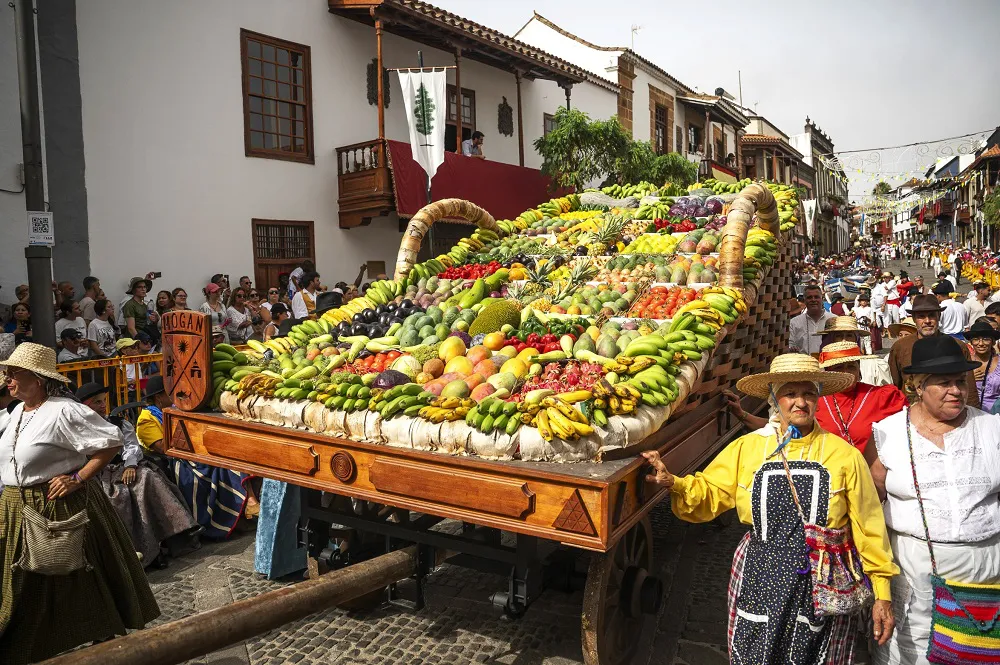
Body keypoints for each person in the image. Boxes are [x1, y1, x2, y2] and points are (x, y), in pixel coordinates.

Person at [645, 354, 896, 663]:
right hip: (759, 573)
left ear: (818, 399)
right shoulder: (748, 448)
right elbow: (710, 493)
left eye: (808, 393)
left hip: (821, 580)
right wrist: (675, 483)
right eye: (790, 393)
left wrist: (882, 593)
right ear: (775, 400)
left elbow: (869, 528)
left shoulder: (844, 456)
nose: (800, 402)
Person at [0, 344, 159, 661]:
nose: (7, 379)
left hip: (58, 506)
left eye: (14, 372)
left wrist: (78, 478)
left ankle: (101, 640)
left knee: (75, 574)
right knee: (23, 582)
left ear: (39, 379)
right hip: (16, 506)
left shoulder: (64, 410)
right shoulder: (17, 411)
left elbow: (111, 442)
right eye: (7, 372)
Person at [867, 335, 1000, 665]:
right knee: (912, 651)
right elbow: (871, 505)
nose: (956, 390)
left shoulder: (992, 429)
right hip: (914, 571)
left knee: (981, 650)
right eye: (944, 383)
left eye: (960, 381)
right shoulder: (887, 434)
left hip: (987, 570)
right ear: (917, 386)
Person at [77, 381, 201, 569]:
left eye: (103, 401)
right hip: (98, 473)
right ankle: (135, 552)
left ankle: (174, 538)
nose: (102, 406)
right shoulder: (78, 429)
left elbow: (131, 446)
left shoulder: (118, 423)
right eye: (96, 402)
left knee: (149, 479)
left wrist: (131, 465)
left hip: (124, 466)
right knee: (119, 497)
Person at [134, 376, 259, 536]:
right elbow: (162, 447)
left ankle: (245, 507)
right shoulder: (146, 419)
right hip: (177, 459)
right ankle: (236, 512)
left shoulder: (176, 409)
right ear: (159, 397)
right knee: (219, 465)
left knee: (231, 454)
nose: (175, 396)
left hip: (192, 451)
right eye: (169, 393)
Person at [887, 295, 979, 407]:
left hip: (950, 410)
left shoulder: (957, 346)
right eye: (921, 316)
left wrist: (972, 416)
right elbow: (896, 384)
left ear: (939, 316)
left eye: (932, 316)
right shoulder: (900, 347)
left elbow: (969, 386)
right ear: (914, 319)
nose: (927, 321)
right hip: (913, 412)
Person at [815, 316, 892, 386]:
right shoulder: (821, 367)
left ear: (856, 339)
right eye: (838, 336)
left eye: (849, 335)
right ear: (830, 339)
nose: (844, 340)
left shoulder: (874, 365)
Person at [788, 285, 834, 355]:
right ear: (805, 300)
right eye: (809, 297)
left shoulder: (834, 319)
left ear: (822, 299)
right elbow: (790, 345)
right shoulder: (794, 322)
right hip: (804, 364)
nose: (813, 300)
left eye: (816, 297)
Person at [969, 319, 1000, 412]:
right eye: (976, 339)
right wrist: (969, 379)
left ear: (993, 342)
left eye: (986, 339)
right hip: (971, 411)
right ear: (971, 342)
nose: (981, 343)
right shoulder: (966, 362)